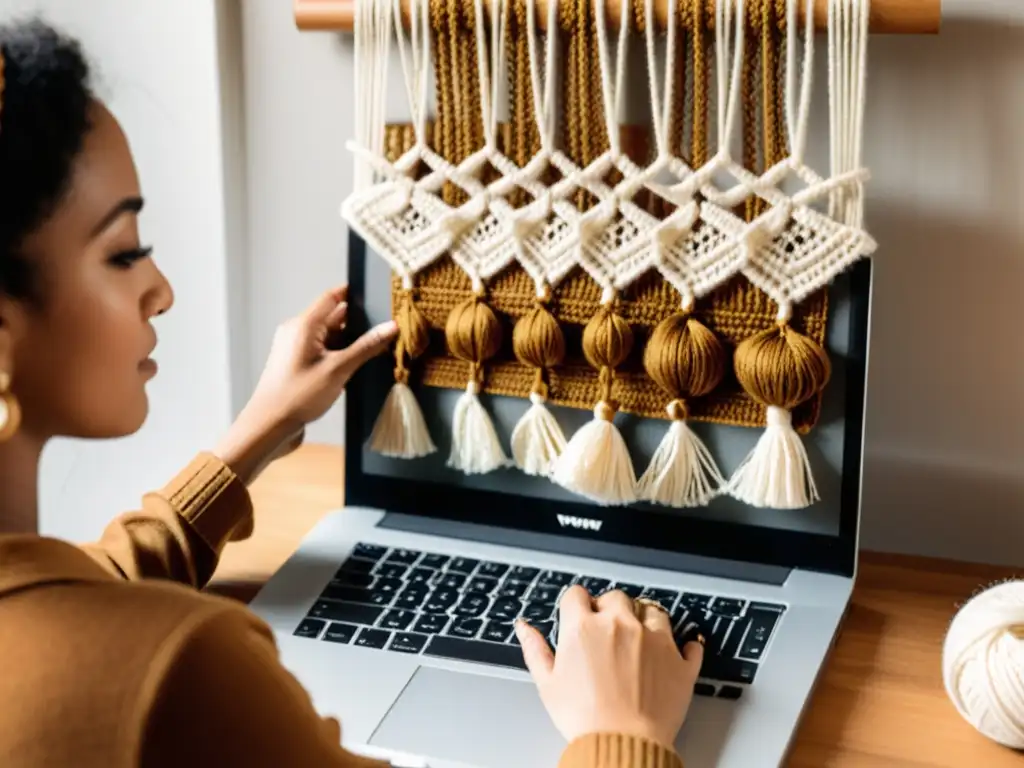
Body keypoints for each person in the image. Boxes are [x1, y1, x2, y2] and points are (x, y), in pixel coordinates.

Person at [0, 17, 705, 768]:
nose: (162, 291)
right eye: (123, 252)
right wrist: (624, 732)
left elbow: (67, 595)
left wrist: (260, 433)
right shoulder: (183, 671)